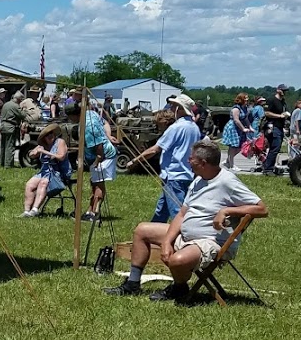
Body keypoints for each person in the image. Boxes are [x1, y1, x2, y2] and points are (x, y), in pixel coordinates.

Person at [105, 141, 268, 303]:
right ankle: (132, 284)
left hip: (210, 242)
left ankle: (179, 288)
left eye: (191, 158)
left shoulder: (227, 182)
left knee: (176, 261)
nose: (188, 161)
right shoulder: (198, 180)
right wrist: (167, 242)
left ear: (203, 163)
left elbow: (262, 209)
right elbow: (182, 214)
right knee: (142, 230)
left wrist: (226, 211)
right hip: (186, 236)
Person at [129, 93, 202, 223]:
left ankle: (181, 235)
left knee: (177, 214)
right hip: (187, 175)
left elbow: (155, 149)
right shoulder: (194, 127)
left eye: (174, 106)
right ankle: (152, 232)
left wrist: (135, 160)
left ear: (180, 109)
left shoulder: (176, 127)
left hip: (174, 176)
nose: (171, 108)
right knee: (161, 211)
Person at [22, 123, 70, 216]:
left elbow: (61, 157)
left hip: (58, 172)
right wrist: (34, 153)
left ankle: (35, 210)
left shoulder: (60, 142)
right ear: (44, 138)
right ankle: (26, 211)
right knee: (29, 185)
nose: (50, 136)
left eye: (51, 133)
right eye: (47, 135)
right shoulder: (42, 145)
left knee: (43, 183)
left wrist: (44, 152)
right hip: (44, 172)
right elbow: (31, 154)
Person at [82, 101, 118, 221]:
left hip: (104, 156)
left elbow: (99, 147)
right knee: (94, 182)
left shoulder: (89, 124)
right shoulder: (92, 113)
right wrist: (108, 135)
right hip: (98, 156)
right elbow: (105, 122)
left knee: (98, 184)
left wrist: (98, 160)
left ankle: (95, 213)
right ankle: (90, 210)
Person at [220, 93, 252, 169]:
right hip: (233, 128)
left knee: (241, 146)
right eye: (245, 98)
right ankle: (231, 165)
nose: (247, 100)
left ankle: (228, 161)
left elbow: (245, 118)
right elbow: (236, 120)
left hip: (239, 128)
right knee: (233, 146)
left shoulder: (245, 108)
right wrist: (243, 129)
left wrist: (250, 127)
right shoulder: (236, 109)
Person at [261, 85, 288, 174]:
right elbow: (267, 113)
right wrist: (279, 116)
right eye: (283, 90)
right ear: (278, 90)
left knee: (276, 148)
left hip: (280, 127)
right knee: (274, 147)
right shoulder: (271, 100)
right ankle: (268, 168)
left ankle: (269, 166)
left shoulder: (283, 102)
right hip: (272, 126)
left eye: (285, 90)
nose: (284, 92)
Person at [0, 88, 21, 167]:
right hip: (10, 127)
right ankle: (8, 165)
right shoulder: (15, 106)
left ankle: (2, 162)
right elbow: (22, 115)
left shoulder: (6, 104)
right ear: (18, 99)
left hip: (3, 126)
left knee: (3, 145)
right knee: (10, 146)